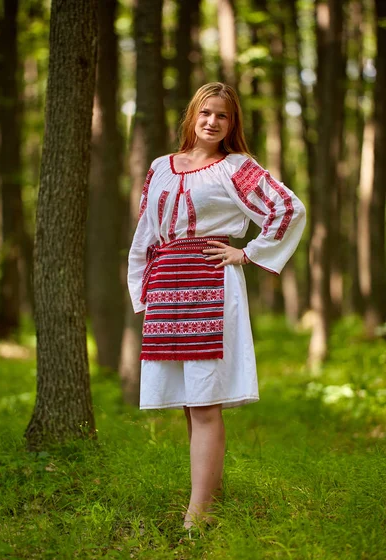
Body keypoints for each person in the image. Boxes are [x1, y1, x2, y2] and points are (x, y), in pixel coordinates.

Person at [127, 82, 306, 531]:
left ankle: (197, 516)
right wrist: (142, 288)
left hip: (211, 281)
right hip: (168, 286)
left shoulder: (236, 167)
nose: (212, 121)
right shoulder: (160, 168)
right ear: (192, 115)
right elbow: (146, 232)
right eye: (205, 112)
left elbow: (288, 208)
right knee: (190, 403)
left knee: (205, 402)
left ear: (232, 124)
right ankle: (211, 495)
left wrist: (246, 253)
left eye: (222, 116)